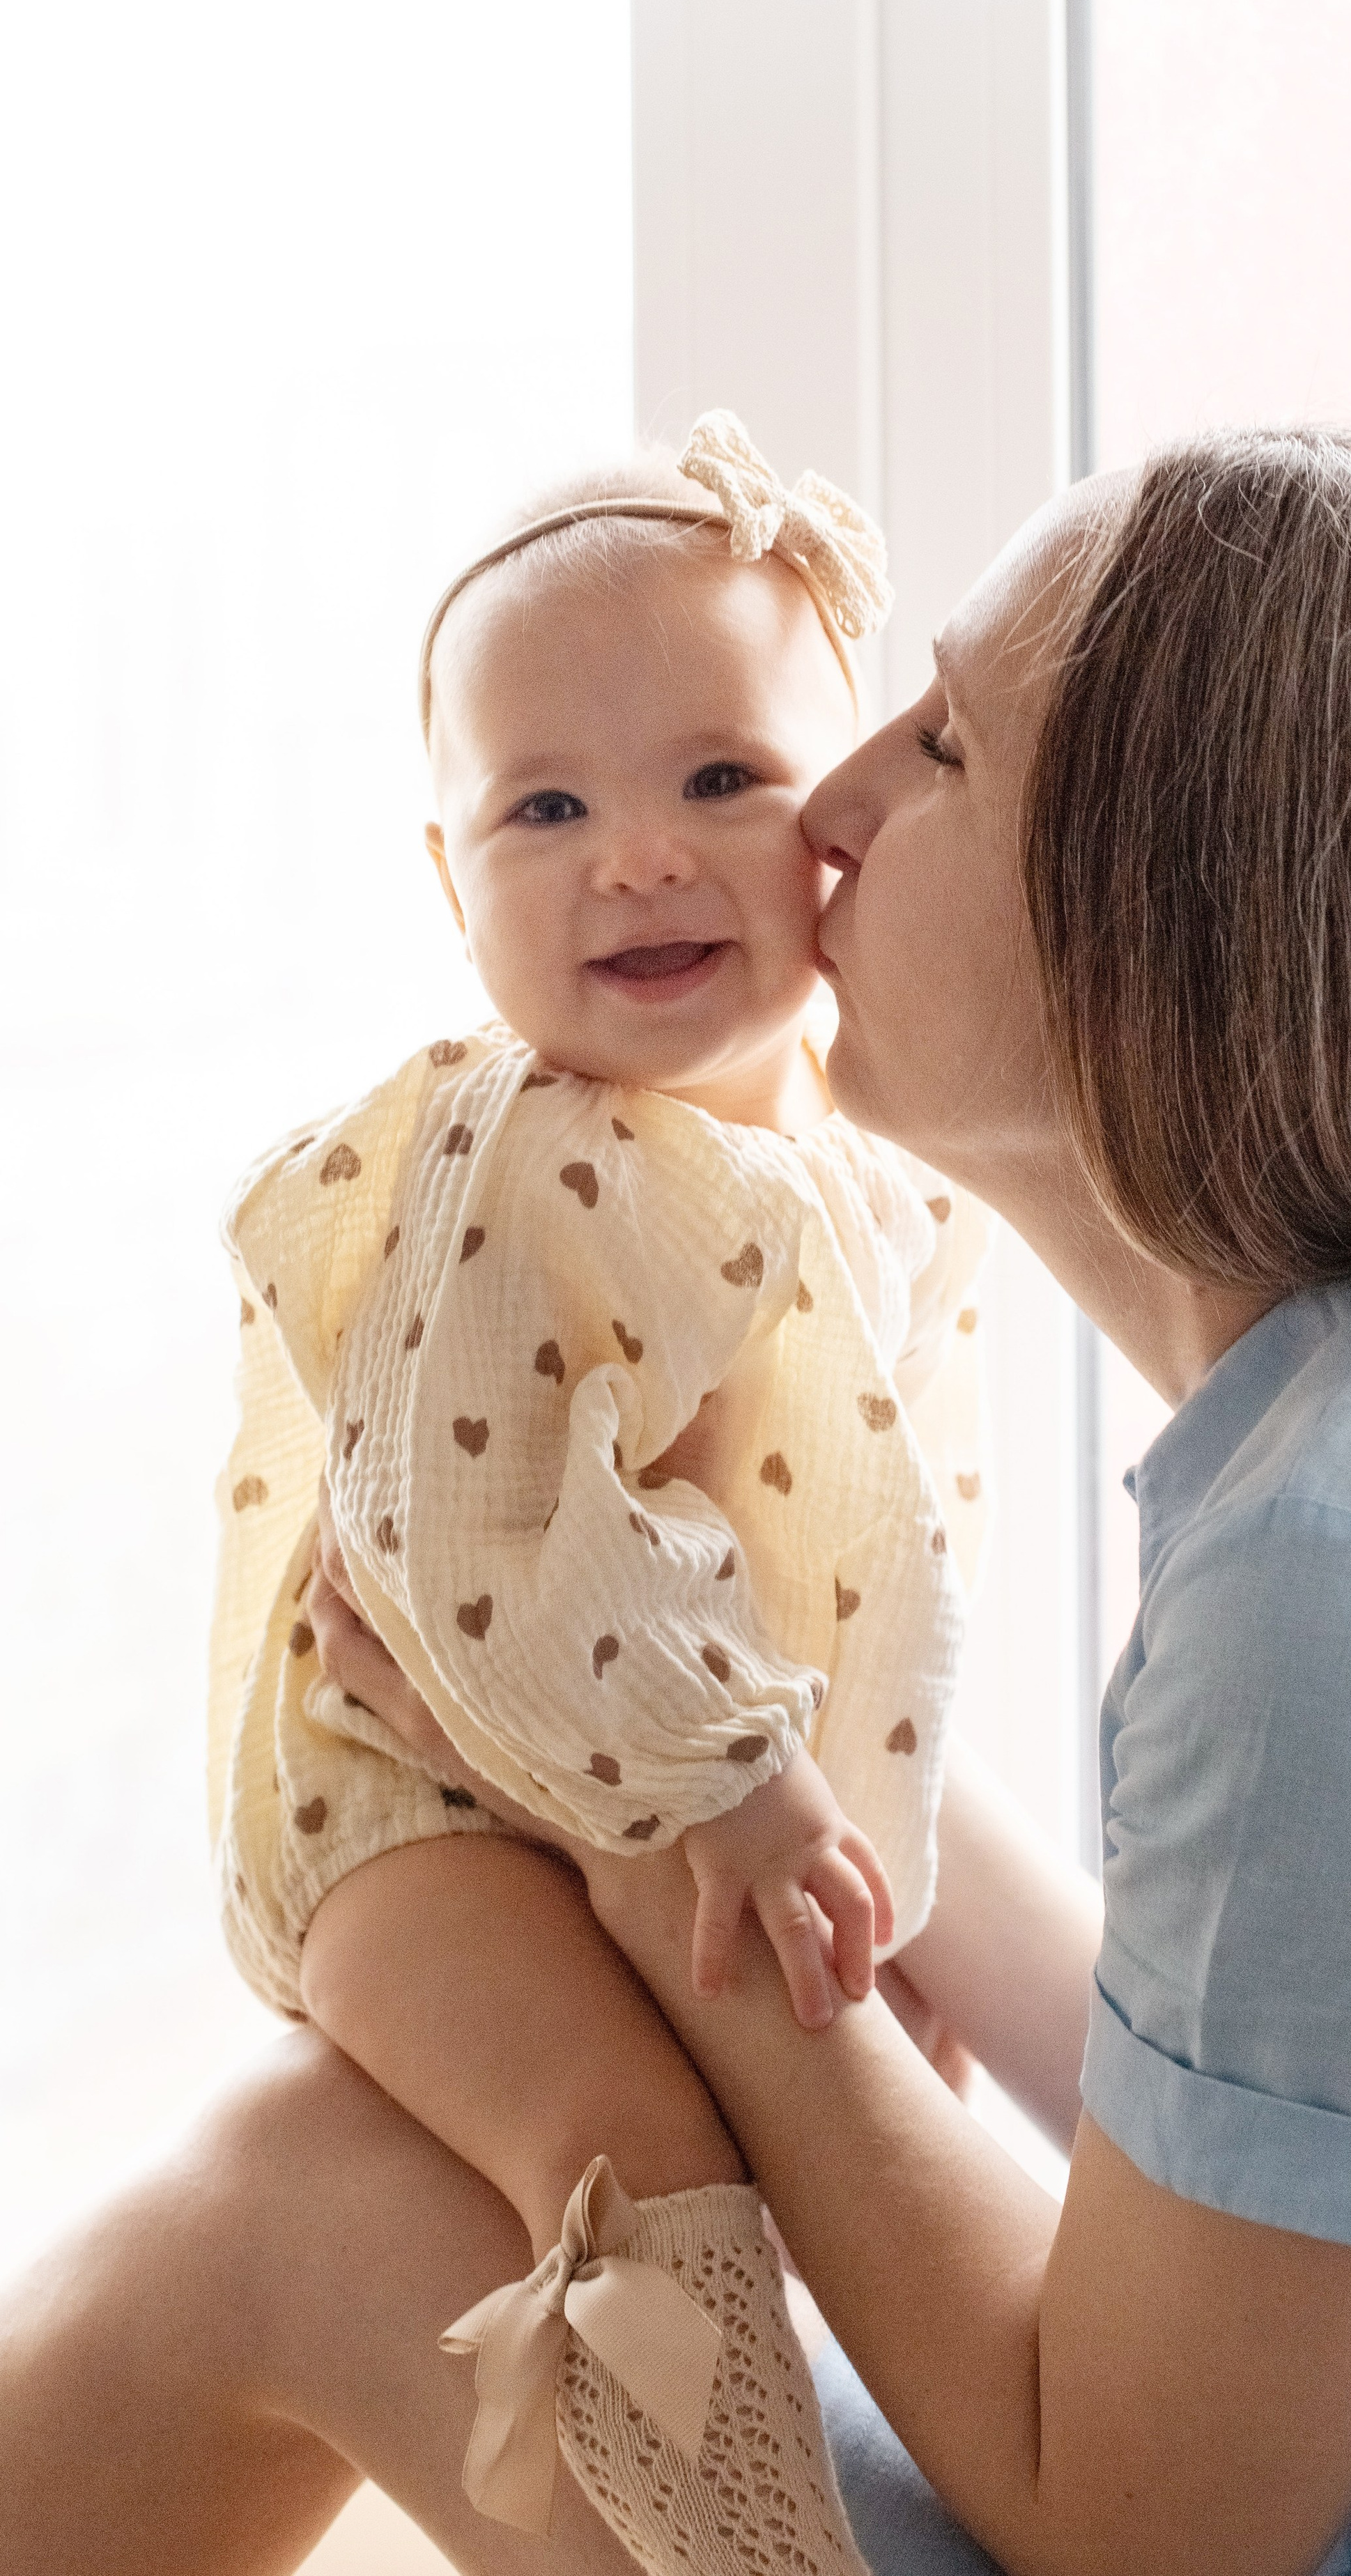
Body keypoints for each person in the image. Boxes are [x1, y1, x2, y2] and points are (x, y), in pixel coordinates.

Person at [6, 424, 1351, 2576]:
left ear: (1172, 904)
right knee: (317, 2182)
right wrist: (805, 1821)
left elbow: (1148, 2531)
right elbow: (1278, 2126)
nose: (828, 810)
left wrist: (642, 1827)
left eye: (938, 747)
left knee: (298, 2198)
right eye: (547, 805)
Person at [211, 410, 988, 2570]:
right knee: (625, 2154)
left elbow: (889, 1542)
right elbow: (468, 1550)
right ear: (452, 884)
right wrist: (743, 1781)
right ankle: (743, 2545)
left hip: (632, 1794)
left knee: (808, 2145)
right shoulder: (522, 1159)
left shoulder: (867, 1178)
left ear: (840, 821)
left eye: (718, 781)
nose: (634, 857)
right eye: (544, 807)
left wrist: (866, 1834)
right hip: (405, 1809)